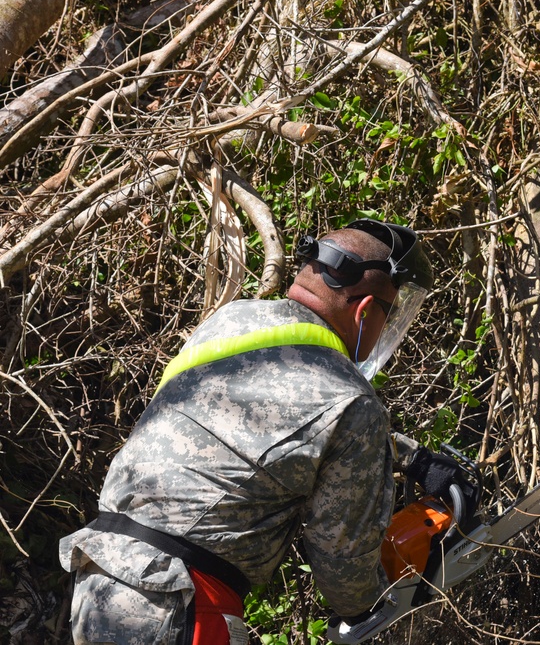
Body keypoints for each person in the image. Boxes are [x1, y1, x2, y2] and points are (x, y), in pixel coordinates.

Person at [59, 218, 448, 644]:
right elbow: (344, 575)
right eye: (387, 316)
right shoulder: (351, 399)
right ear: (364, 311)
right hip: (179, 597)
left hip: (100, 574)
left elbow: (272, 425)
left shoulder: (231, 323)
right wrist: (386, 593)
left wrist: (412, 458)